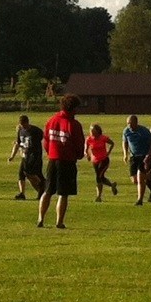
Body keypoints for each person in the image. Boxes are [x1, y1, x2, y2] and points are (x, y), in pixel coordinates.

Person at [40, 95, 85, 229]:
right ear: (73, 108)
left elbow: (46, 140)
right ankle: (59, 222)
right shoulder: (74, 124)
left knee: (48, 191)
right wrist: (78, 155)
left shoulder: (51, 120)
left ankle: (40, 218)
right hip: (67, 161)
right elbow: (79, 143)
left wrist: (50, 152)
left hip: (52, 159)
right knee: (63, 194)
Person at [8, 115, 46, 201]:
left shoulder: (35, 131)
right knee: (21, 174)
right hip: (25, 156)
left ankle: (42, 185)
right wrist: (12, 156)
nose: (23, 127)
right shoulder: (20, 131)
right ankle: (22, 193)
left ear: (27, 122)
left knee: (30, 173)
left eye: (24, 125)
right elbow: (18, 143)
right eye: (21, 125)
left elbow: (35, 143)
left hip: (34, 155)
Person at [85, 124, 118, 202]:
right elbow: (86, 149)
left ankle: (98, 197)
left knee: (98, 177)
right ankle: (112, 185)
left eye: (93, 131)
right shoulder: (89, 139)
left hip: (104, 160)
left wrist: (108, 152)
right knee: (101, 177)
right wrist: (88, 155)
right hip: (95, 161)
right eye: (91, 131)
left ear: (98, 131)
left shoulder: (103, 138)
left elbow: (112, 143)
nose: (92, 132)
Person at [122, 114, 151, 197]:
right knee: (134, 180)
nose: (129, 126)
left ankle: (140, 198)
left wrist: (148, 155)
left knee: (140, 178)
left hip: (143, 156)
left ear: (136, 123)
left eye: (131, 123)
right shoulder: (126, 131)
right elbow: (125, 142)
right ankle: (149, 177)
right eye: (128, 123)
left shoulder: (144, 131)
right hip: (133, 156)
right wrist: (125, 154)